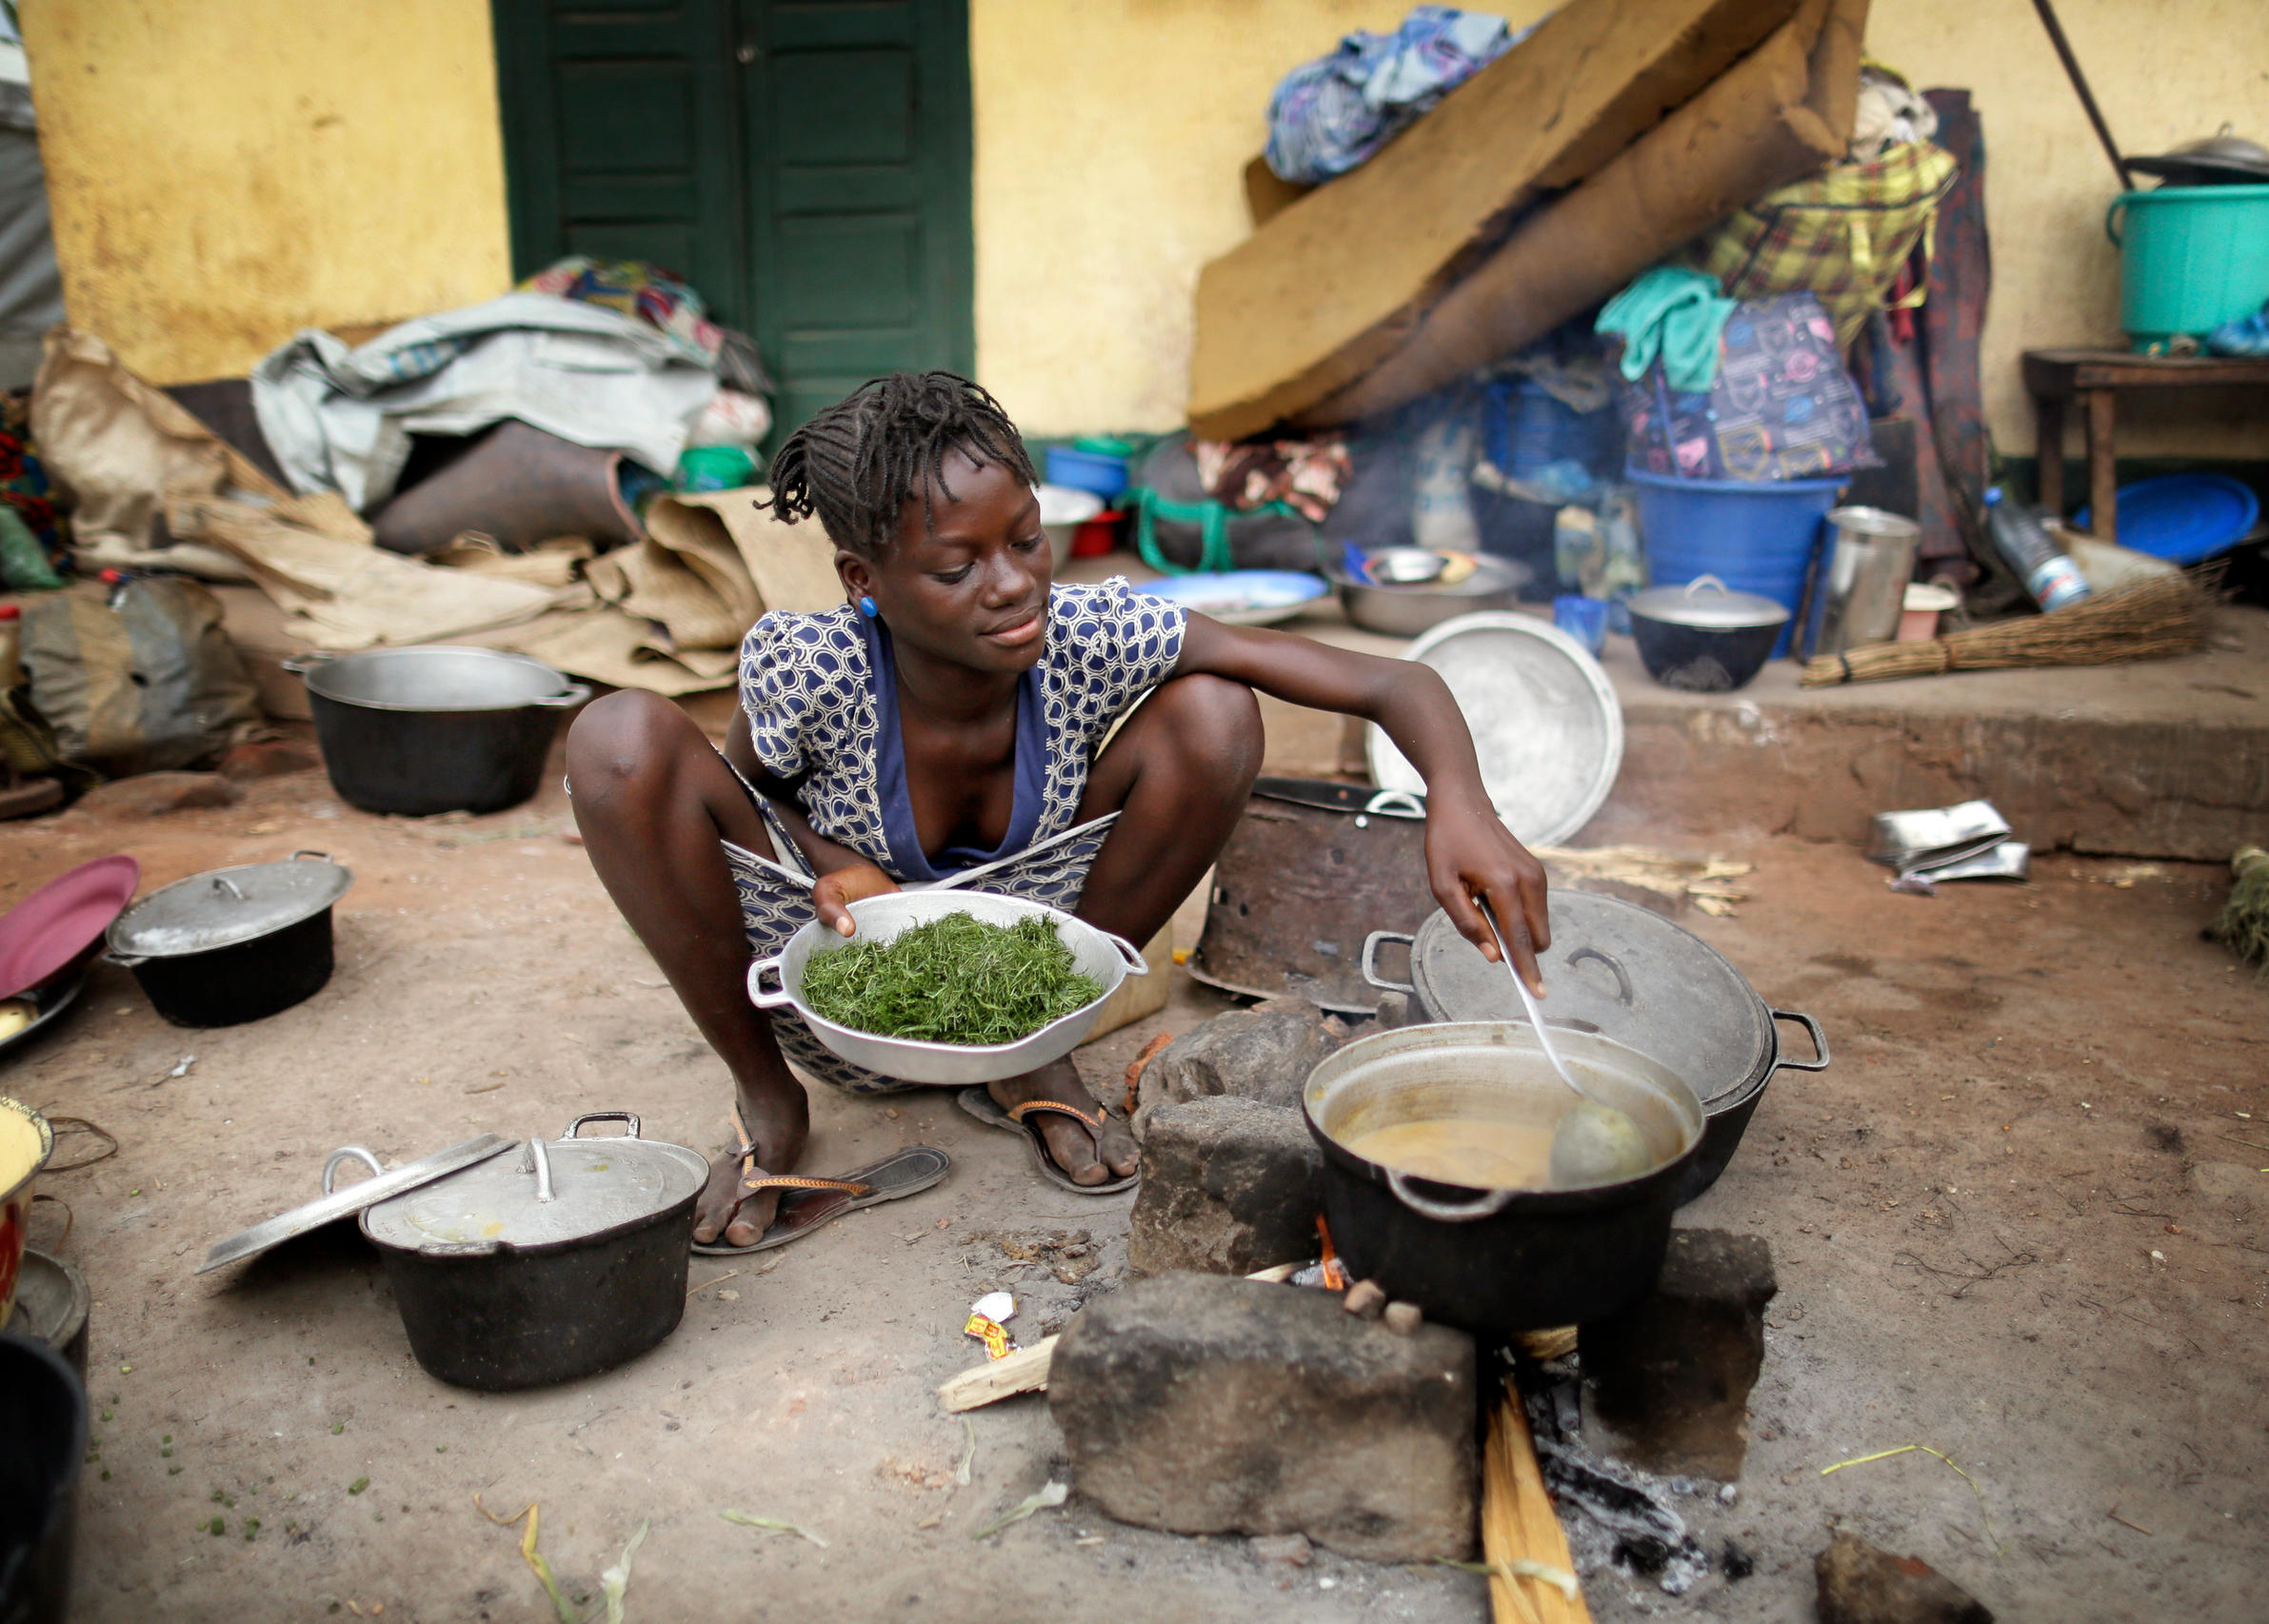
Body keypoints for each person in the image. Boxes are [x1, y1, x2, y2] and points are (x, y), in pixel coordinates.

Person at [567, 371, 1549, 1254]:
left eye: (1026, 538)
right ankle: (769, 1098)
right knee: (617, 740)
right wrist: (831, 861)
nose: (1012, 584)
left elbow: (1394, 680)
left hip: (1035, 961)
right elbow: (752, 794)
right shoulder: (810, 663)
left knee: (1213, 709)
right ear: (864, 583)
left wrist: (1459, 804)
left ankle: (1035, 1058)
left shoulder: (1088, 633)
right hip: (839, 984)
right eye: (957, 567)